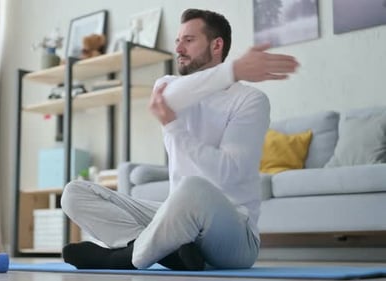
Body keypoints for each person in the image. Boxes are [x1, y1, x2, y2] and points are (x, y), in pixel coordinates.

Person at [60, 8, 298, 270]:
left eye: (189, 40)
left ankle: (123, 258)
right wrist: (233, 69)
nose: (179, 48)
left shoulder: (250, 100)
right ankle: (170, 253)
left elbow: (228, 173)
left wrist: (174, 127)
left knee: (193, 189)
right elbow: (169, 99)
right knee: (74, 193)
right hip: (181, 220)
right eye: (177, 40)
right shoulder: (169, 84)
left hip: (235, 236)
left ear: (216, 44)